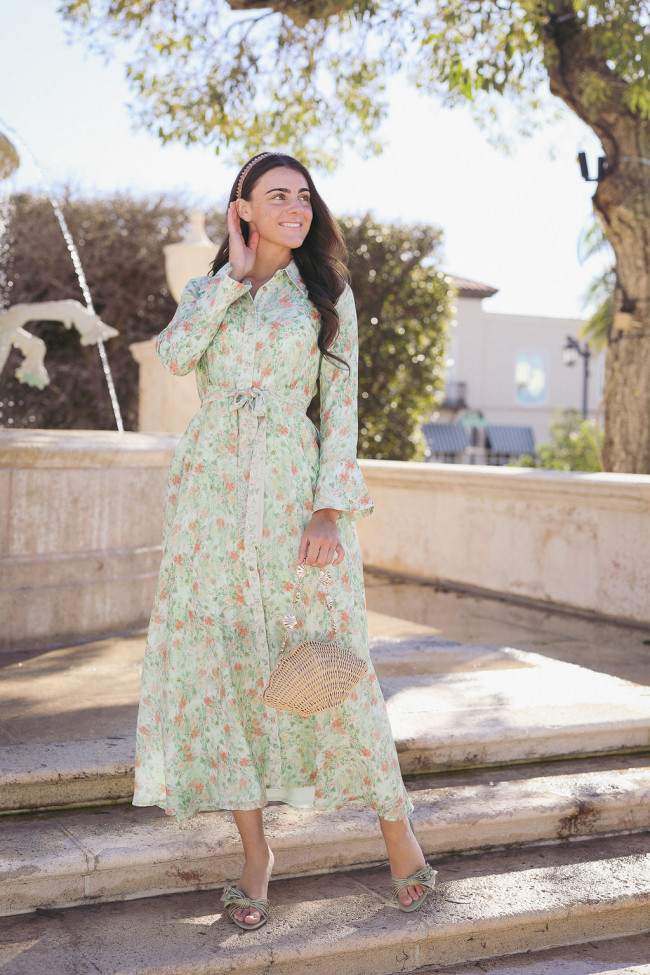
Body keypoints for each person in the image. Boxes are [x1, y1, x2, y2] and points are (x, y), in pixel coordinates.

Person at [132, 151, 437, 930]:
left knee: (338, 659)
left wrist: (329, 510)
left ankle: (399, 835)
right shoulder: (211, 289)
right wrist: (231, 279)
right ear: (244, 209)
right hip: (210, 504)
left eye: (304, 196)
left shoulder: (327, 294)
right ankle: (255, 854)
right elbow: (175, 356)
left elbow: (341, 408)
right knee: (224, 670)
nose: (297, 207)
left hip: (295, 499)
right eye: (278, 196)